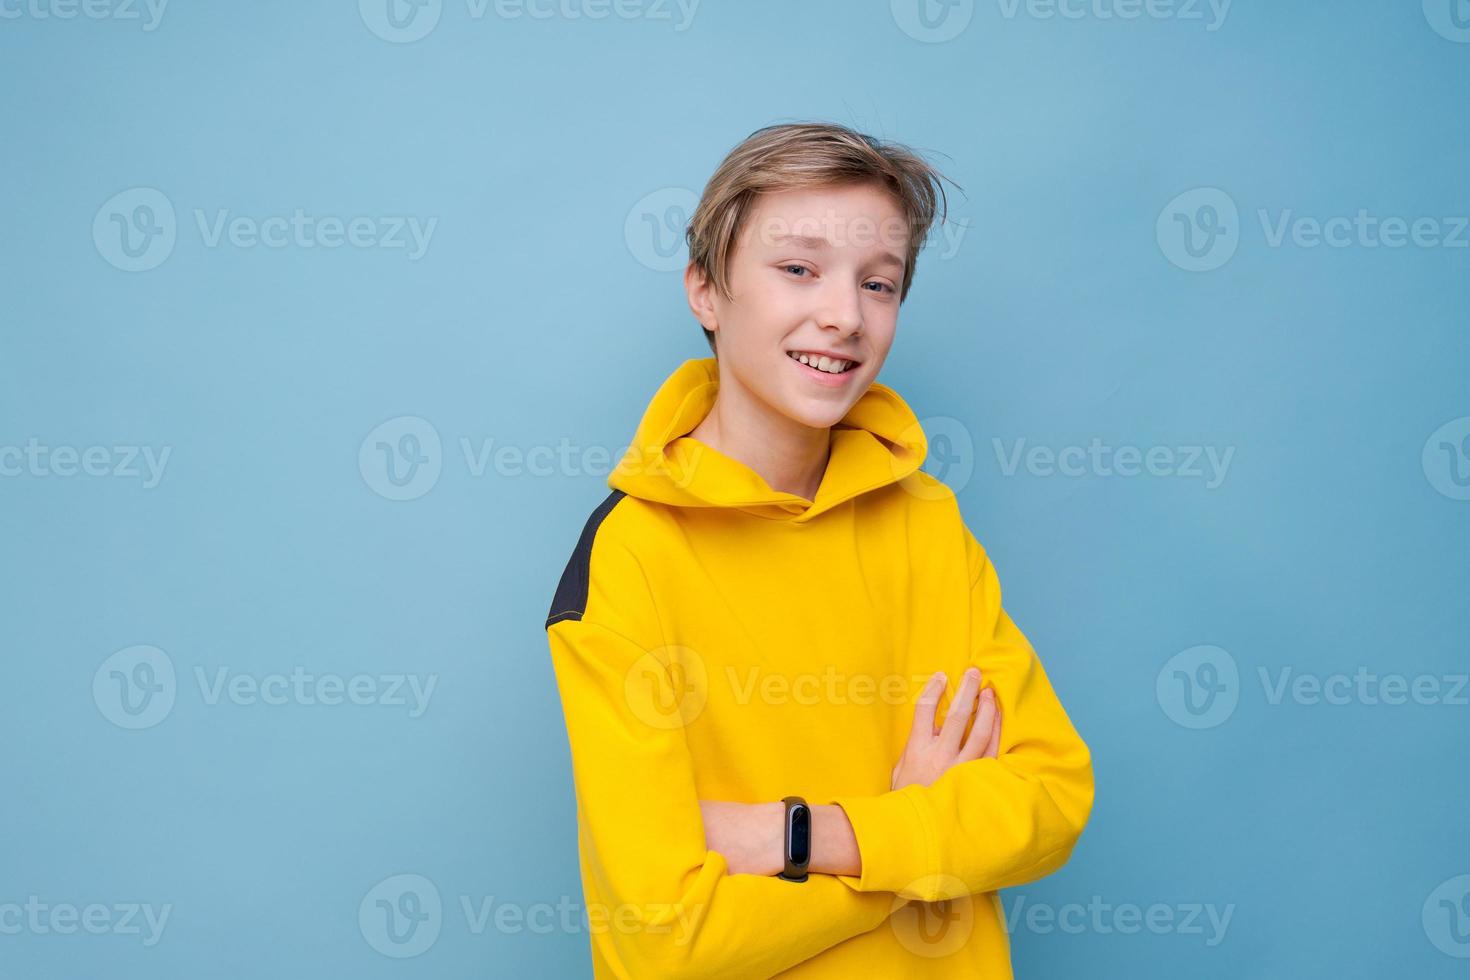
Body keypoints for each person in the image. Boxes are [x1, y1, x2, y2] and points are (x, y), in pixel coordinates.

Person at [545, 121, 1094, 978]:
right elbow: (668, 941)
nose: (844, 316)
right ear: (706, 291)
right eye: (798, 268)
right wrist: (907, 838)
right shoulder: (631, 556)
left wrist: (795, 835)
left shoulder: (923, 522)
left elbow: (1050, 800)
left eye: (879, 284)